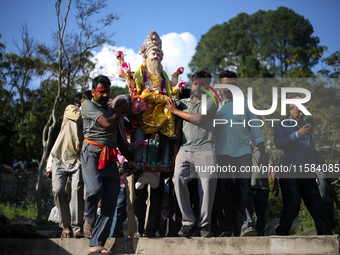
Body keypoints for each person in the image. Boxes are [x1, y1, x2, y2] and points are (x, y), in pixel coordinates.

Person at [213, 70, 267, 237]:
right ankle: (228, 228)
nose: (228, 88)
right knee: (225, 191)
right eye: (225, 84)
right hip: (221, 154)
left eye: (231, 84)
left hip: (243, 152)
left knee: (245, 190)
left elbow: (256, 128)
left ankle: (246, 226)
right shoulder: (214, 105)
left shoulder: (245, 103)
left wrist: (262, 153)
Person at [81, 75, 131, 254]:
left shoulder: (111, 110)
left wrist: (131, 158)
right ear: (94, 91)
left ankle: (96, 244)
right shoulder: (88, 105)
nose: (105, 95)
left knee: (110, 202)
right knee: (94, 190)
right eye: (101, 92)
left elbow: (117, 137)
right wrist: (117, 112)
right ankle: (88, 218)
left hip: (110, 157)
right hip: (91, 154)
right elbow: (108, 125)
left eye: (108, 92)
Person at [166, 70, 218, 237]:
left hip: (206, 149)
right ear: (191, 83)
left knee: (208, 184)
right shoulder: (181, 102)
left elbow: (200, 119)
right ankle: (188, 222)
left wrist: (176, 112)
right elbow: (164, 104)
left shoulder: (211, 101)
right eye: (196, 83)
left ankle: (205, 225)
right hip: (185, 150)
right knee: (177, 179)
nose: (198, 86)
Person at [274, 99, 332, 235]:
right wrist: (296, 134)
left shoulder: (307, 127)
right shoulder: (282, 126)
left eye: (304, 111)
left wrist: (325, 166)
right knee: (293, 205)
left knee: (318, 207)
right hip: (290, 175)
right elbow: (279, 144)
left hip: (307, 175)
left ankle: (326, 238)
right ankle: (281, 234)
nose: (301, 114)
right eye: (299, 111)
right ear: (290, 109)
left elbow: (312, 150)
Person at [116, 30, 185, 138]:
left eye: (158, 54)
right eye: (153, 53)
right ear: (147, 56)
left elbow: (170, 88)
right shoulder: (141, 71)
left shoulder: (162, 74)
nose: (156, 56)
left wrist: (177, 81)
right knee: (145, 95)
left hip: (161, 104)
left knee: (171, 106)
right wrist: (122, 62)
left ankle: (170, 134)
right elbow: (126, 78)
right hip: (146, 103)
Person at [49, 92, 85, 238]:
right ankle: (66, 225)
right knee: (58, 190)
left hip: (77, 159)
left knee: (77, 192)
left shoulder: (92, 116)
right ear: (79, 103)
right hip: (60, 158)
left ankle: (76, 228)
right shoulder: (70, 109)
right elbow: (78, 116)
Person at [250, 139, 278, 236]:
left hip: (263, 188)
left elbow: (272, 168)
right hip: (248, 187)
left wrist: (275, 183)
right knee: (247, 214)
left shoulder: (266, 151)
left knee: (261, 217)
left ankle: (259, 237)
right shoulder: (246, 150)